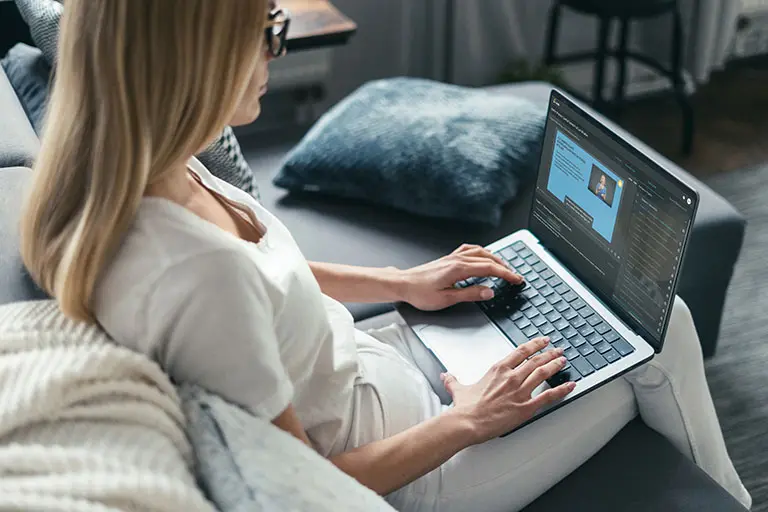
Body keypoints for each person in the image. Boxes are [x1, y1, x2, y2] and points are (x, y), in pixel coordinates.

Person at [19, 2, 751, 511]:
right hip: (423, 474)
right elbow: (311, 486)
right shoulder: (193, 271)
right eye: (263, 30)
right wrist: (469, 420)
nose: (274, 48)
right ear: (196, 59)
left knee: (557, 301)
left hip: (386, 364)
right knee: (656, 336)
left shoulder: (155, 169)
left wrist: (406, 283)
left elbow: (268, 271)